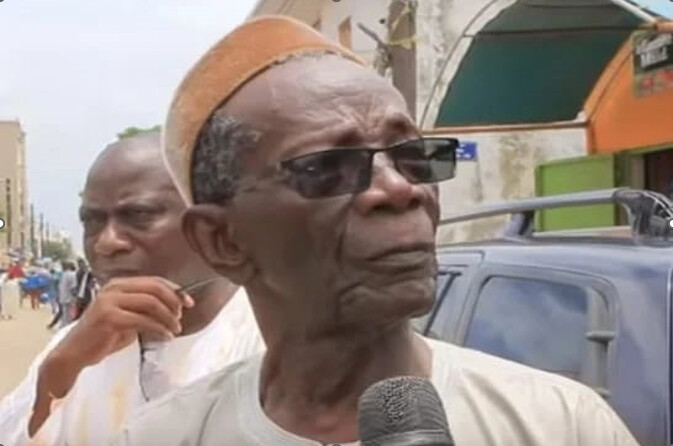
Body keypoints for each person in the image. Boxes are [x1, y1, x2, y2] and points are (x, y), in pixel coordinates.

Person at [113, 17, 638, 446]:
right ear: (222, 241)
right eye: (329, 166)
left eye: (412, 157)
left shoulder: (562, 426)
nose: (399, 189)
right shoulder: (163, 437)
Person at [0, 132, 264, 445]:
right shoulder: (73, 347)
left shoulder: (275, 348)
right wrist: (59, 372)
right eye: (93, 221)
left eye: (139, 215)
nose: (107, 242)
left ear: (214, 226)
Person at [57, 260, 78, 327]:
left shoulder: (63, 274)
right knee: (69, 315)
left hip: (63, 297)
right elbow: (73, 288)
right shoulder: (73, 274)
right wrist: (75, 297)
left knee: (65, 314)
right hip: (69, 298)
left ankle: (63, 327)